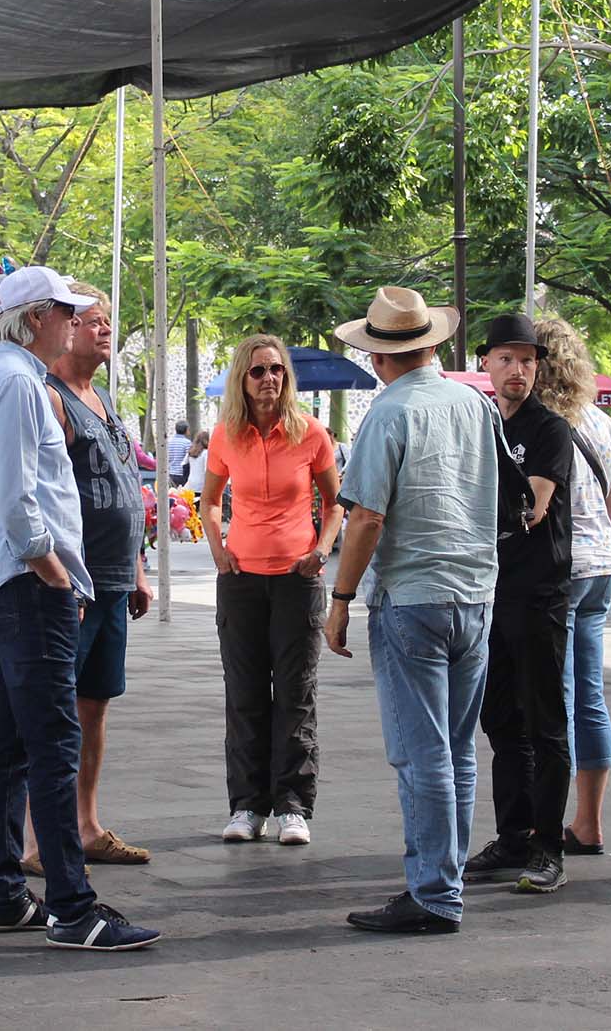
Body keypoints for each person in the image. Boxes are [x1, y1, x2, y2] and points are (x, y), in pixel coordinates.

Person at [0, 264, 159, 952]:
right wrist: (54, 572)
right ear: (37, 315)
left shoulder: (0, 376)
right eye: (68, 310)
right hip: (27, 583)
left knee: (12, 743)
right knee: (51, 741)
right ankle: (73, 906)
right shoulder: (17, 383)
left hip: (5, 581)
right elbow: (18, 500)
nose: (77, 320)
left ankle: (2, 889)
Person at [324, 285, 499, 937]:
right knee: (456, 750)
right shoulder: (476, 404)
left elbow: (366, 514)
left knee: (421, 752)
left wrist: (340, 600)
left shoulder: (387, 412)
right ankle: (443, 884)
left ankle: (434, 891)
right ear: (431, 343)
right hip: (475, 594)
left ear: (378, 356)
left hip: (414, 596)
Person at [24, 281, 154, 869]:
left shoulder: (101, 400)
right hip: (72, 583)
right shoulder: (49, 398)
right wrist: (58, 575)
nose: (105, 330)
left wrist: (138, 568)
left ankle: (85, 824)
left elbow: (125, 489)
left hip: (113, 579)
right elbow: (40, 496)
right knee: (53, 711)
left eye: (108, 321)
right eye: (93, 320)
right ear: (63, 326)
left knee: (94, 704)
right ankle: (36, 840)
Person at [204, 332, 342, 848]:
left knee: (295, 693)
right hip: (239, 579)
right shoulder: (226, 435)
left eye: (276, 370)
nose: (268, 379)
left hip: (296, 579)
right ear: (243, 378)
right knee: (243, 693)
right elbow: (211, 500)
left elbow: (335, 503)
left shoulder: (311, 434)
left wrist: (323, 548)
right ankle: (246, 805)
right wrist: (218, 548)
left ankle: (291, 805)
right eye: (258, 370)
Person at [463, 314, 577, 895]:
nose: (517, 370)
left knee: (545, 723)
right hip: (487, 591)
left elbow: (529, 507)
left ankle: (548, 846)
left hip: (538, 595)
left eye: (528, 360)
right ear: (486, 363)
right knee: (501, 720)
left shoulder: (549, 429)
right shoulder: (478, 423)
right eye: (506, 359)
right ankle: (512, 837)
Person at [532, 315, 611, 858]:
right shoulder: (601, 423)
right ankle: (588, 822)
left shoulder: (541, 424)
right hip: (601, 567)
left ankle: (544, 828)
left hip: (561, 570)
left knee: (555, 697)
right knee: (589, 695)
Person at [166, 420, 192, 488]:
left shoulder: (169, 442)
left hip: (171, 474)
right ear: (186, 430)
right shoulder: (187, 443)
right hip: (182, 474)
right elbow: (189, 459)